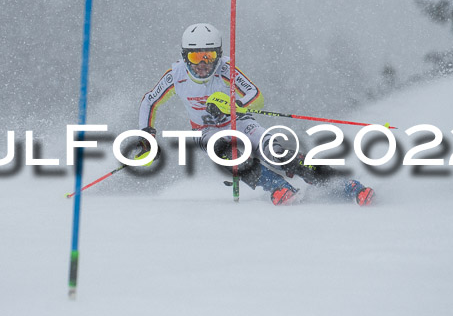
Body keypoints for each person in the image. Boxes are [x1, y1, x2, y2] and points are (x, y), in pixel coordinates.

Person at [136, 23, 374, 206]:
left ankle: (342, 184)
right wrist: (147, 135)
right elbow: (149, 101)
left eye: (208, 56)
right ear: (185, 56)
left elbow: (255, 94)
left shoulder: (226, 70)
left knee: (276, 152)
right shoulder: (175, 75)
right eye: (195, 57)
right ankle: (276, 186)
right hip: (205, 131)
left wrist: (233, 105)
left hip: (239, 121)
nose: (203, 64)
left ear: (218, 55)